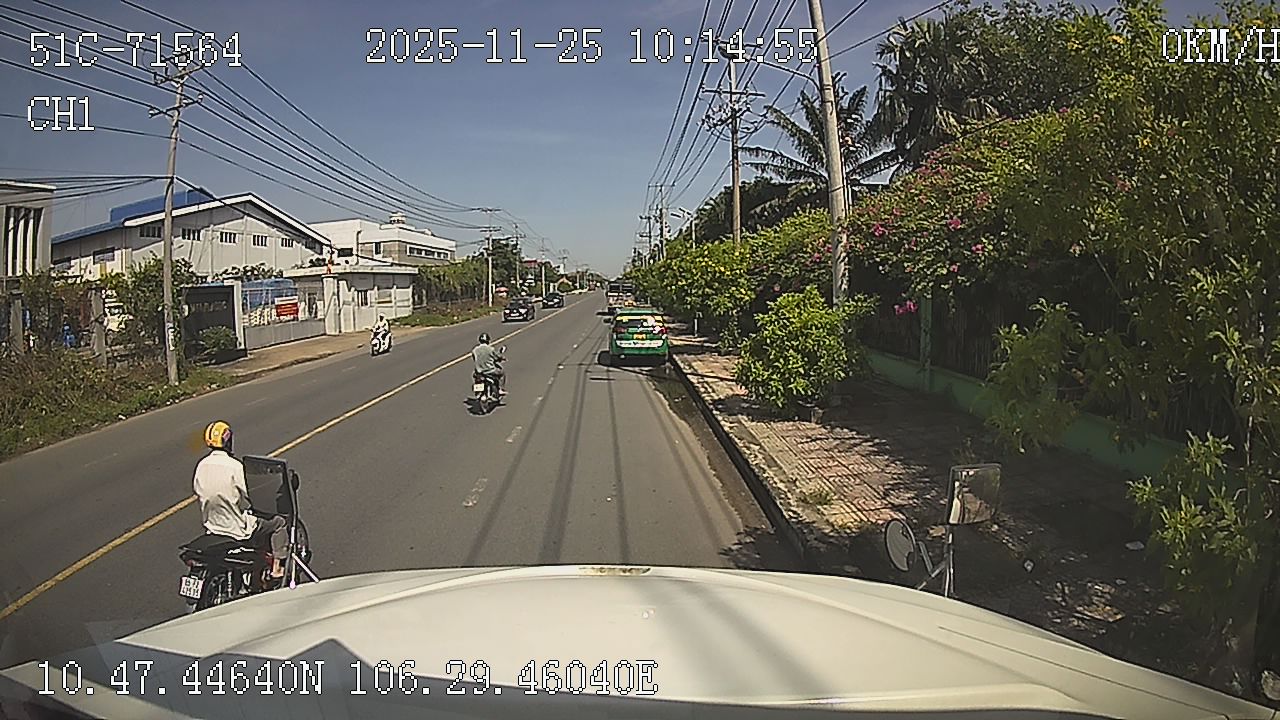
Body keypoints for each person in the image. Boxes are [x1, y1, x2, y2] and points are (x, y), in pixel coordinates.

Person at [193, 421, 288, 579]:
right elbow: (250, 494)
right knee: (279, 523)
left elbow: (198, 489)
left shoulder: (202, 465)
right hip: (237, 527)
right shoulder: (235, 466)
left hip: (212, 525)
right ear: (228, 441)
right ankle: (277, 569)